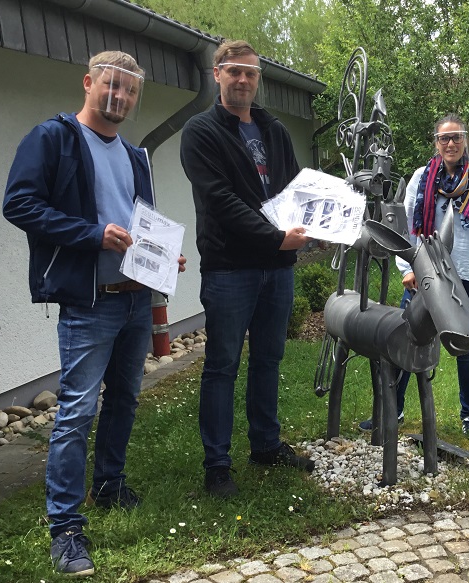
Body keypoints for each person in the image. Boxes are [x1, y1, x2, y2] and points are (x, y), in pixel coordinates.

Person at [3, 51, 186, 576]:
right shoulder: (53, 139)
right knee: (77, 411)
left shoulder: (134, 154)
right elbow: (19, 204)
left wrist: (162, 256)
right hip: (89, 301)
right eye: (111, 86)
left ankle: (109, 485)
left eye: (129, 91)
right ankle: (65, 527)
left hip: (133, 297)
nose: (120, 97)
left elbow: (142, 223)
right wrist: (90, 235)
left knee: (126, 397)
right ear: (89, 83)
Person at [180, 40, 314, 500]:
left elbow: (296, 188)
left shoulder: (273, 129)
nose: (242, 80)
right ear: (216, 74)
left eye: (251, 74)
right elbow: (221, 201)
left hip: (277, 269)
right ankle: (217, 465)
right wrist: (276, 236)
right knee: (221, 366)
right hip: (230, 268)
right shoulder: (200, 132)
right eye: (234, 72)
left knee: (268, 360)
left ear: (258, 80)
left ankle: (265, 444)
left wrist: (311, 223)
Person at [360, 113, 469, 440]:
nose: (450, 143)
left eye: (456, 137)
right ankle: (396, 407)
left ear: (465, 140)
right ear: (436, 142)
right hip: (427, 276)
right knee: (406, 339)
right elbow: (405, 228)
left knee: (466, 346)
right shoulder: (423, 177)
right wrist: (408, 270)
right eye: (444, 138)